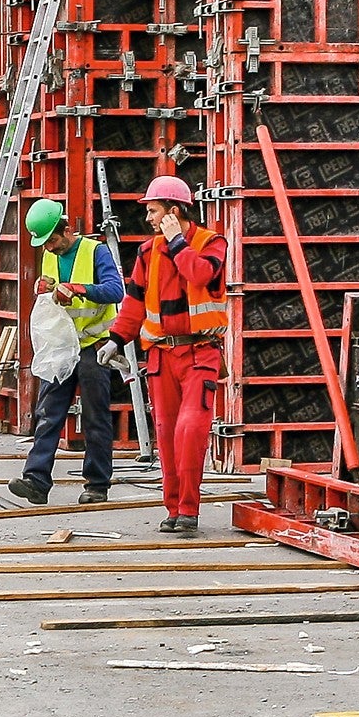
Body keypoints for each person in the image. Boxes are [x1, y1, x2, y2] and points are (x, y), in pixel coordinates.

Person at [111, 174, 229, 534]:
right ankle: (174, 509)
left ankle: (188, 510)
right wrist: (116, 339)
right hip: (162, 358)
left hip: (200, 354)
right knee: (166, 434)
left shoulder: (212, 243)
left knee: (190, 430)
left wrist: (178, 242)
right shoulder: (147, 253)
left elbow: (198, 273)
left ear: (173, 212)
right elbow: (133, 303)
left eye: (153, 211)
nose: (148, 219)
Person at [8, 197, 125, 505]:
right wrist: (45, 289)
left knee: (95, 417)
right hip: (63, 346)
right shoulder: (49, 256)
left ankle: (97, 484)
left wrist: (78, 289)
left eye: (52, 240)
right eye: (44, 243)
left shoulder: (95, 251)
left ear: (67, 229)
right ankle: (36, 480)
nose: (48, 247)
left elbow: (116, 290)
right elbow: (53, 290)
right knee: (48, 412)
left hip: (93, 345)